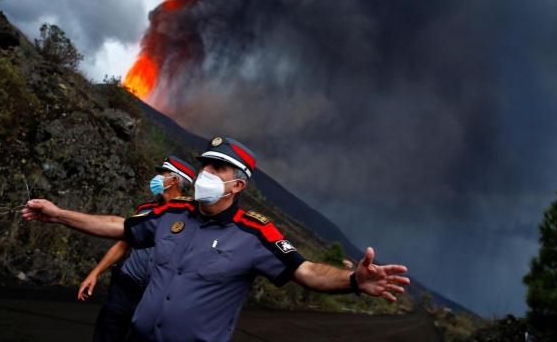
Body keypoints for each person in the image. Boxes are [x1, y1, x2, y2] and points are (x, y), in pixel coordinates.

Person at [22, 137, 410, 342]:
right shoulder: (171, 214)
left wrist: (355, 282)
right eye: (204, 163)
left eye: (217, 167)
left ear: (237, 183)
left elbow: (305, 271)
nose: (204, 172)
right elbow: (119, 227)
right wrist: (59, 215)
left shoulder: (255, 232)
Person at [41, 155, 196, 342]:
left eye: (163, 175)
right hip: (124, 286)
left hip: (152, 296)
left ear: (174, 180)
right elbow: (123, 243)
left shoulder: (191, 220)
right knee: (106, 333)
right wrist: (95, 273)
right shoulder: (145, 210)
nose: (157, 180)